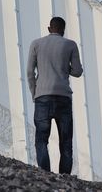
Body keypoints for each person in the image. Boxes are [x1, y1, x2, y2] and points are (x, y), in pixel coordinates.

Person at [26, 16, 83, 174]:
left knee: (41, 140)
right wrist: (65, 68)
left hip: (42, 97)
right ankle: (64, 178)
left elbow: (30, 72)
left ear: (49, 28)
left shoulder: (36, 44)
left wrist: (34, 93)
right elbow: (78, 71)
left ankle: (45, 175)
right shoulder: (70, 45)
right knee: (66, 142)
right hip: (63, 97)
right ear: (63, 30)